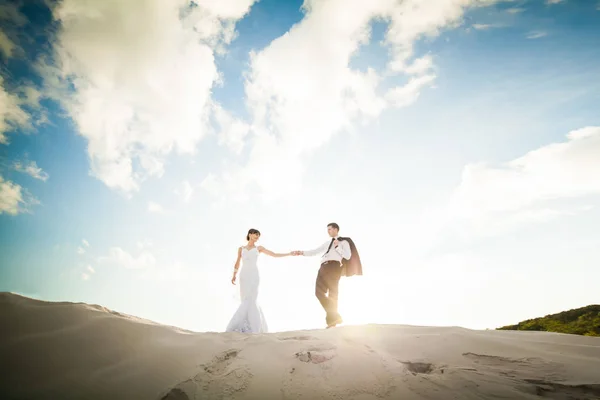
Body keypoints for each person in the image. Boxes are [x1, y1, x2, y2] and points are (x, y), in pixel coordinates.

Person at [292, 222, 362, 329]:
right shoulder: (327, 243)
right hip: (323, 267)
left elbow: (347, 256)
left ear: (336, 229)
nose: (328, 231)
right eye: (327, 229)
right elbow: (315, 251)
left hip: (334, 267)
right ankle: (335, 316)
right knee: (318, 293)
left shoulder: (344, 242)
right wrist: (301, 252)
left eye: (329, 229)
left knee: (333, 294)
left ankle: (331, 323)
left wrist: (338, 247)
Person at [225, 228, 294, 333]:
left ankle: (254, 327)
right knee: (245, 299)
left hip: (254, 275)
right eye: (256, 235)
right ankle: (242, 324)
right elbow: (238, 262)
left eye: (258, 236)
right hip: (243, 275)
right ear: (250, 234)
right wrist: (234, 274)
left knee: (252, 298)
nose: (257, 237)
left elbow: (274, 254)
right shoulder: (241, 248)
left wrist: (289, 254)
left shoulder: (259, 248)